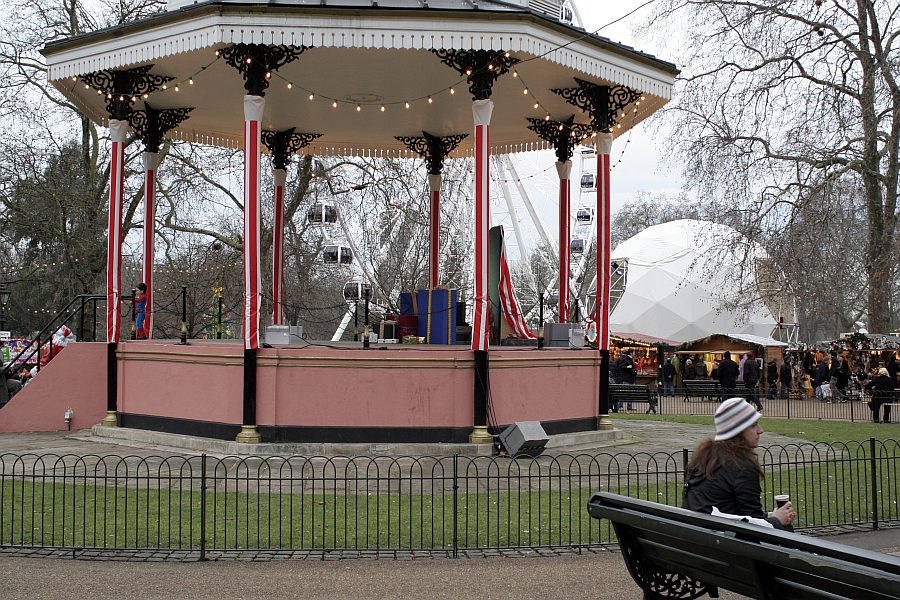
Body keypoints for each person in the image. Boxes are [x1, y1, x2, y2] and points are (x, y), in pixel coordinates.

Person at [683, 397, 796, 530]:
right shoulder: (741, 467)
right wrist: (776, 520)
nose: (760, 430)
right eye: (753, 425)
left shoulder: (704, 459)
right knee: (787, 529)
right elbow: (757, 530)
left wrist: (772, 516)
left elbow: (731, 512)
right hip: (727, 543)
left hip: (703, 536)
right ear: (738, 430)